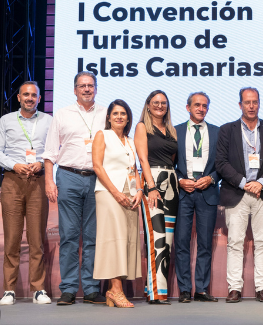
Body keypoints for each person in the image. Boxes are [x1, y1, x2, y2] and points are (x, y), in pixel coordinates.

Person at [43, 71, 107, 305]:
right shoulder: (61, 114)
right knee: (69, 236)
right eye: (82, 86)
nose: (87, 89)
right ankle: (68, 289)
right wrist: (49, 181)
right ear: (74, 90)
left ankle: (91, 289)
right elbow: (50, 152)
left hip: (96, 179)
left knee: (92, 237)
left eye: (91, 85)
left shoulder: (105, 114)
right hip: (68, 176)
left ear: (96, 88)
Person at [0, 81, 53, 305]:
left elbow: (55, 149)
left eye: (33, 95)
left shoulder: (49, 121)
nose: (29, 98)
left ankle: (38, 289)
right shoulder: (6, 120)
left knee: (36, 238)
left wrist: (41, 163)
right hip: (12, 180)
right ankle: (9, 289)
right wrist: (15, 164)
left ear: (39, 98)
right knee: (12, 237)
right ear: (18, 97)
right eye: (25, 94)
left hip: (38, 180)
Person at [215, 87, 263, 303]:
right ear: (240, 105)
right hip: (236, 192)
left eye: (255, 102)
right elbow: (221, 163)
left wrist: (260, 183)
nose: (251, 106)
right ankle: (234, 288)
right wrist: (244, 183)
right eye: (247, 102)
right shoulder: (227, 130)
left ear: (259, 103)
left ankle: (262, 288)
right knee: (234, 242)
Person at [91, 99, 142, 308]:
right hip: (108, 193)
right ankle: (116, 290)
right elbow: (97, 166)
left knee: (126, 240)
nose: (119, 117)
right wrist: (115, 193)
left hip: (129, 194)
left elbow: (134, 169)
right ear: (109, 117)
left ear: (128, 118)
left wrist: (139, 190)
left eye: (123, 113)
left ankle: (113, 291)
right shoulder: (102, 135)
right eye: (115, 114)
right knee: (113, 240)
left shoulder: (130, 141)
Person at [174, 92, 221, 303]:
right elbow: (168, 164)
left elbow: (223, 165)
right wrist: (179, 180)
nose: (201, 109)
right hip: (184, 192)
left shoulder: (218, 132)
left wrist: (211, 178)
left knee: (204, 244)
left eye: (204, 106)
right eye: (197, 105)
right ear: (188, 107)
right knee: (182, 242)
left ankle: (201, 289)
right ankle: (185, 289)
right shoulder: (175, 131)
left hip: (207, 193)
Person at [134, 90, 179, 305]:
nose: (160, 105)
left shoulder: (171, 130)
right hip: (153, 183)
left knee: (167, 241)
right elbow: (142, 159)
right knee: (157, 237)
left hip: (172, 184)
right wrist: (151, 187)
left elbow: (172, 159)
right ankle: (157, 293)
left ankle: (152, 288)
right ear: (148, 104)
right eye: (155, 102)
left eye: (163, 103)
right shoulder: (142, 126)